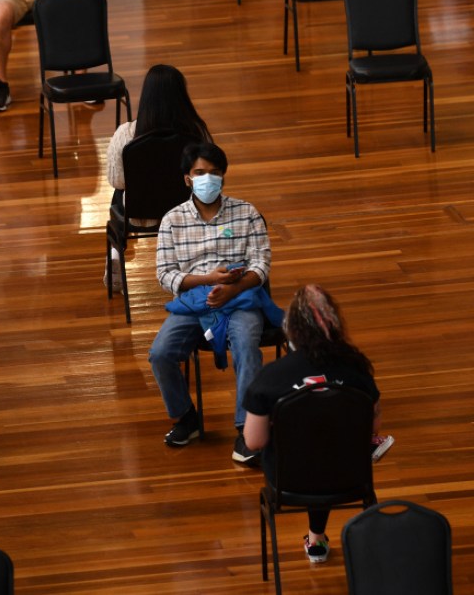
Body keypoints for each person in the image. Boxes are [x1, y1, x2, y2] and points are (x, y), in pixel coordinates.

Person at [148, 142, 279, 464]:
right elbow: (166, 276)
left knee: (247, 347)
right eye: (200, 173)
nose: (208, 179)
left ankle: (246, 427)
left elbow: (260, 264)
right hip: (194, 302)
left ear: (223, 177)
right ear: (187, 178)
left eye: (214, 173)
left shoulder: (247, 212)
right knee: (161, 354)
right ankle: (186, 418)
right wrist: (209, 281)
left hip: (241, 298)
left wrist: (231, 289)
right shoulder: (172, 220)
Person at [242, 285, 382, 564]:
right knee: (328, 447)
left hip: (288, 480)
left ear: (290, 330)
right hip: (351, 475)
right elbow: (373, 428)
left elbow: (253, 443)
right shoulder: (357, 369)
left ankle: (316, 540)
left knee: (308, 450)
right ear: (335, 324)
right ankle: (317, 538)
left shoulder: (271, 377)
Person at [104, 64, 212, 289]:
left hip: (138, 214)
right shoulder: (197, 134)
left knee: (118, 193)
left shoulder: (125, 134)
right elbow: (207, 177)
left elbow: (118, 181)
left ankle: (116, 252)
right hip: (186, 214)